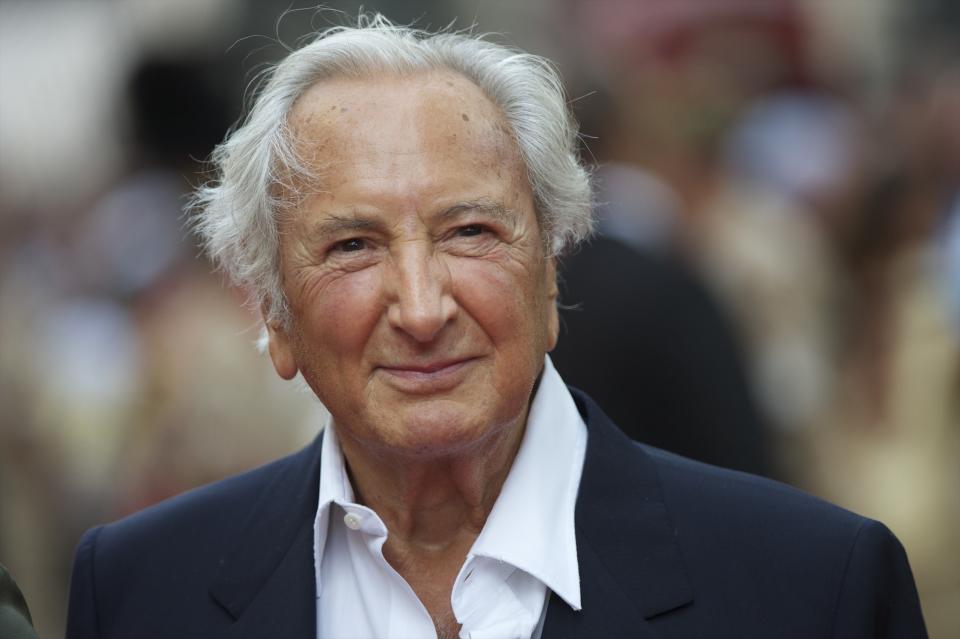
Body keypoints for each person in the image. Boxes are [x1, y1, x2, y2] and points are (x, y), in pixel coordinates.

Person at [66, 16, 926, 639]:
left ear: (551, 272)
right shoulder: (140, 591)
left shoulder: (812, 589)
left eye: (470, 232)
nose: (423, 305)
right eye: (354, 246)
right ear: (271, 312)